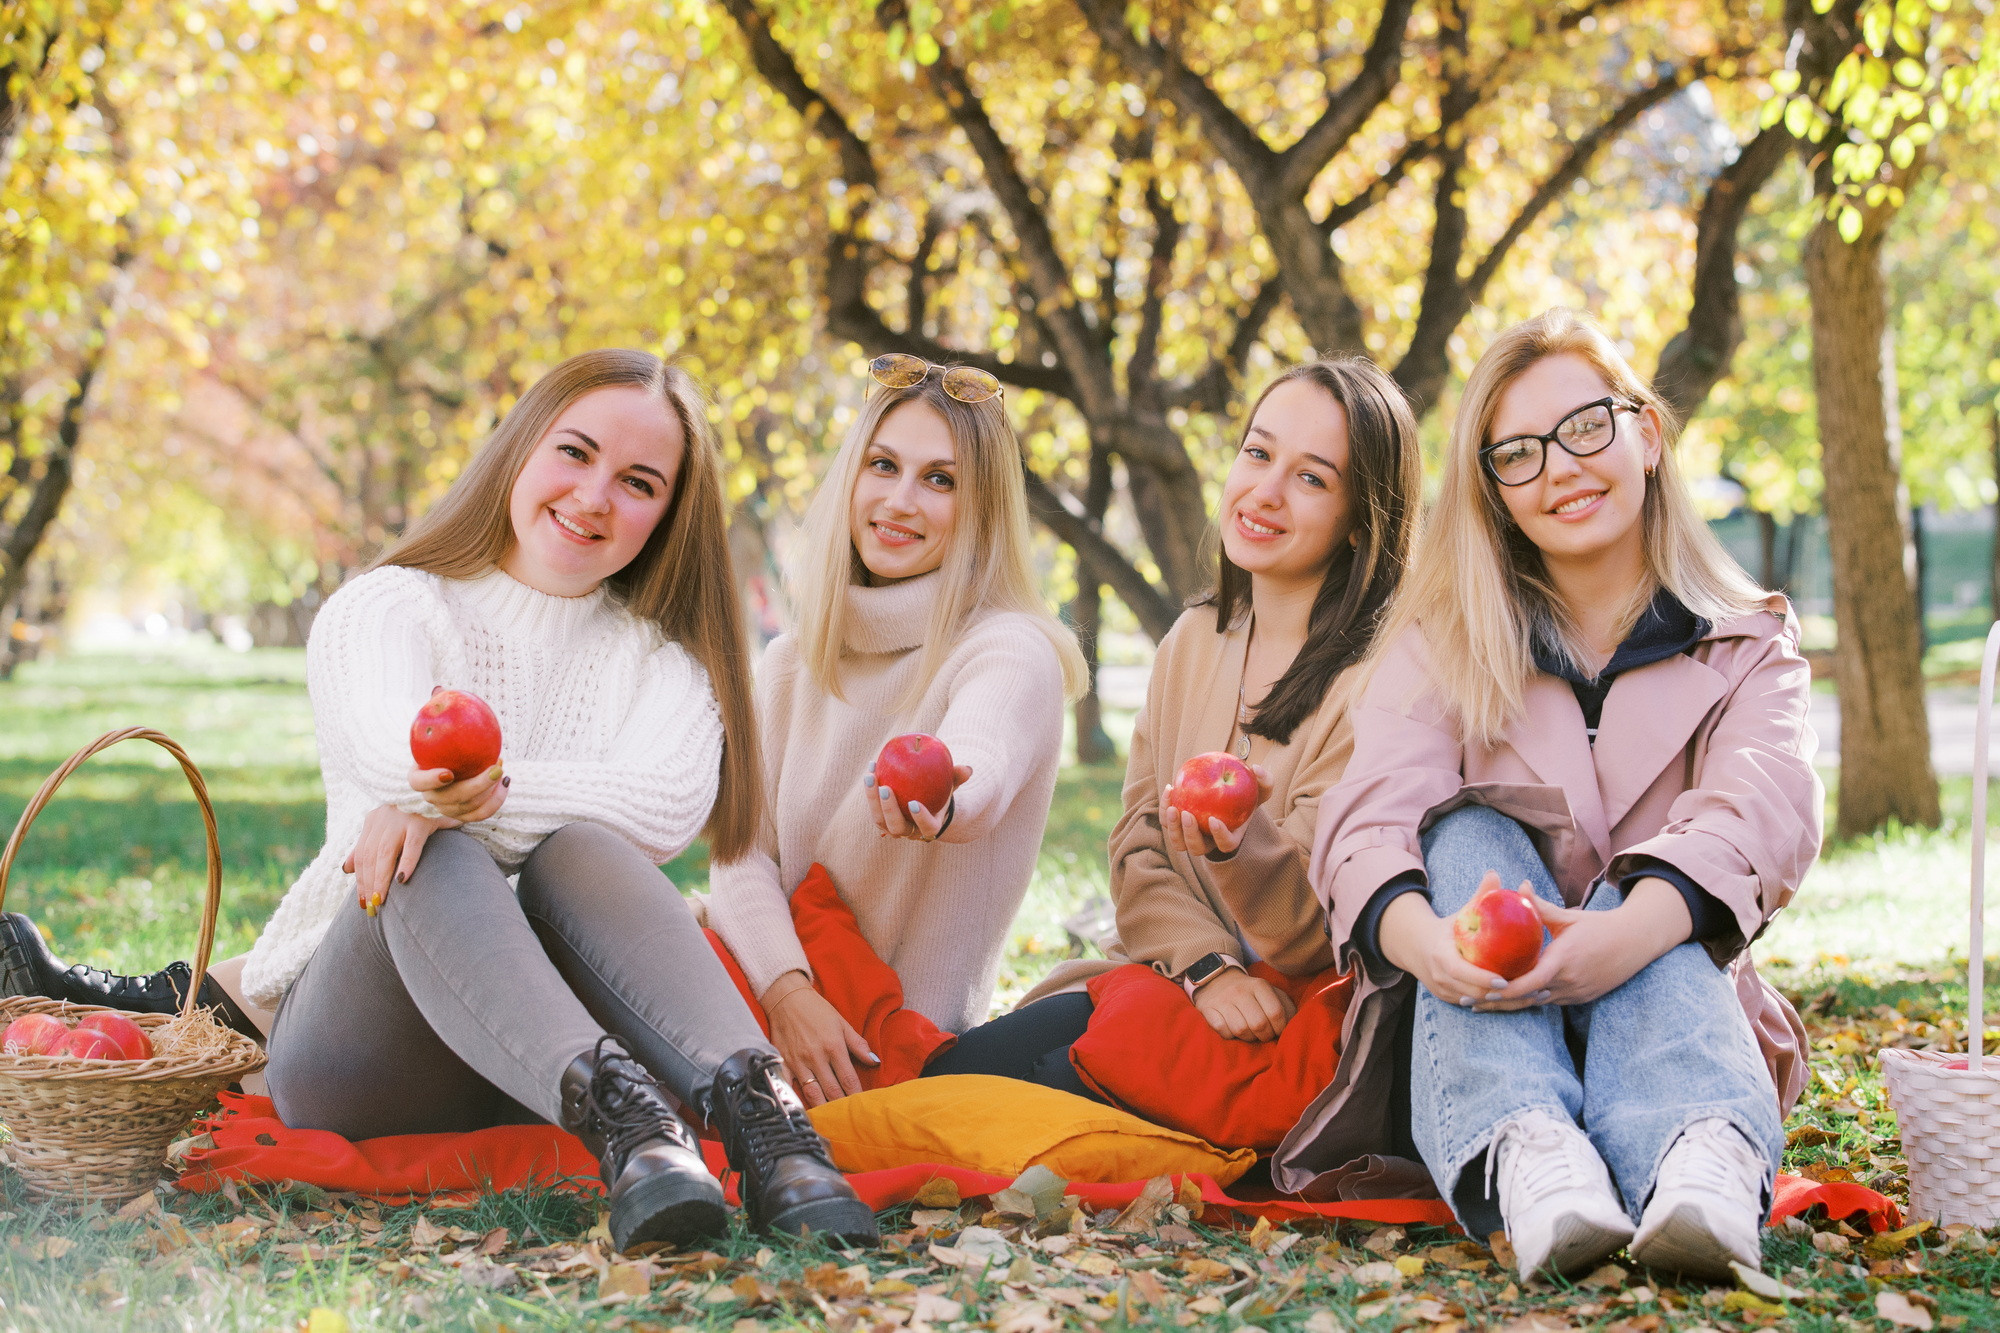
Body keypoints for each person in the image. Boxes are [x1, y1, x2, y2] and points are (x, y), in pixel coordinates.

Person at [8, 350, 876, 1251]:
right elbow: (398, 761)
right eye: (574, 452)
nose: (593, 496)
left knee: (578, 846)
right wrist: (444, 805)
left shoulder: (663, 662)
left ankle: (767, 1127)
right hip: (373, 1052)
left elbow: (660, 805)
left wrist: (465, 796)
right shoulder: (389, 607)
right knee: (428, 852)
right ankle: (629, 1117)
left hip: (539, 1044)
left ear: (668, 513)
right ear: (519, 449)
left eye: (638, 481)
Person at [1298, 310, 1819, 1282]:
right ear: (1490, 489)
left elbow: (1761, 808)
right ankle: (1526, 1152)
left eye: (1585, 427)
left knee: (1654, 879)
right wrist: (1430, 947)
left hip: (1674, 1009)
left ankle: (1699, 1157)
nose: (1558, 470)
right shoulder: (1439, 643)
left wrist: (1618, 936)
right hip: (1481, 1005)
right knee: (1466, 828)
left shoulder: (1744, 639)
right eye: (1517, 454)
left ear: (1646, 433)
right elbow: (1366, 813)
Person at [929, 357, 1422, 1095]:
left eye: (1312, 478)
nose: (1265, 491)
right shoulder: (1194, 639)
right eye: (1258, 453)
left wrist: (1236, 845)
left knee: (1026, 1097)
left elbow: (1312, 926)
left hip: (1290, 1025)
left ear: (1362, 521)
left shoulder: (1384, 685)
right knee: (954, 1075)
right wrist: (1204, 963)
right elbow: (1137, 842)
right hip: (1174, 976)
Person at [705, 354, 1085, 1106]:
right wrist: (789, 994)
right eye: (884, 465)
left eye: (940, 479)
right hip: (759, 991)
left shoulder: (1009, 647)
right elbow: (738, 851)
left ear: (982, 506)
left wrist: (942, 801)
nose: (900, 500)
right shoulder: (790, 663)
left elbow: (983, 758)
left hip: (892, 1045)